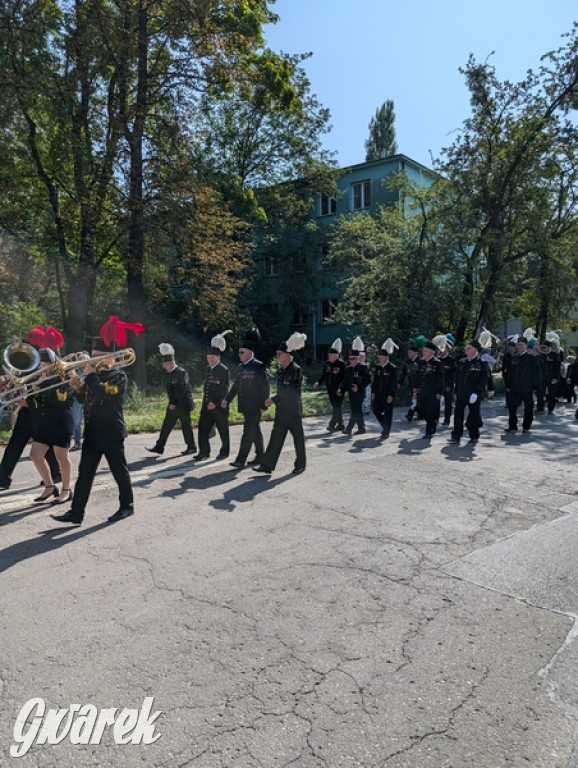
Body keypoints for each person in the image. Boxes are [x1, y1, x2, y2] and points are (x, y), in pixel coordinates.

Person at [51, 336, 135, 525]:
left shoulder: (118, 376)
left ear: (110, 358)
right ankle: (76, 512)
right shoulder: (93, 377)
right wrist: (79, 389)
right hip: (93, 432)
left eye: (98, 357)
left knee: (119, 471)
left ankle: (127, 506)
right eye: (93, 356)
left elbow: (104, 394)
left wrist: (89, 377)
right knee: (85, 473)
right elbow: (86, 401)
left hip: (111, 432)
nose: (92, 361)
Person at [253, 333, 307, 475]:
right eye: (277, 353)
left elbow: (291, 392)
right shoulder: (281, 370)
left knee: (298, 439)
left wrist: (273, 400)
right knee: (276, 437)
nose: (277, 356)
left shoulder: (296, 370)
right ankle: (267, 465)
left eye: (280, 353)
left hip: (293, 411)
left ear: (288, 355)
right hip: (282, 411)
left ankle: (300, 464)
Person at [28, 348, 74, 504]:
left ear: (54, 363)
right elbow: (36, 405)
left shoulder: (66, 376)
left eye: (46, 363)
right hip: (45, 421)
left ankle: (66, 490)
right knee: (35, 455)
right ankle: (49, 486)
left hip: (61, 421)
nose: (43, 367)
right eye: (41, 364)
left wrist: (45, 385)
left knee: (62, 457)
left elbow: (63, 400)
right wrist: (34, 391)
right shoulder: (43, 378)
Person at [223, 327, 269, 469]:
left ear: (250, 353)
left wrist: (264, 406)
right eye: (239, 352)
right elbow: (236, 386)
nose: (240, 355)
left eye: (242, 352)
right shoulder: (240, 367)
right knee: (255, 431)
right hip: (245, 405)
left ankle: (240, 460)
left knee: (248, 432)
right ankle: (261, 456)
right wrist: (227, 399)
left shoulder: (258, 366)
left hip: (255, 406)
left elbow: (265, 387)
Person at [147, 344, 196, 456]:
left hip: (183, 404)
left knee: (186, 426)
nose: (165, 367)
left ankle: (192, 447)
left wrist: (174, 403)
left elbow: (182, 389)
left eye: (166, 364)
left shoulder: (181, 372)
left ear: (172, 363)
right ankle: (159, 446)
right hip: (174, 404)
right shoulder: (170, 373)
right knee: (166, 425)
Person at [195, 331, 231, 461]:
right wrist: (206, 402)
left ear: (218, 358)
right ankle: (204, 452)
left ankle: (225, 451)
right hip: (206, 404)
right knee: (202, 428)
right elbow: (208, 387)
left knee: (223, 429)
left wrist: (214, 402)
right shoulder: (208, 368)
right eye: (208, 357)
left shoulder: (224, 370)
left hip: (219, 405)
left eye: (213, 358)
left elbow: (223, 389)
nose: (210, 360)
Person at [449, 340, 489, 444]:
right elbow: (458, 378)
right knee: (458, 414)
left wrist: (477, 392)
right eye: (467, 347)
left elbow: (484, 379)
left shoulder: (482, 363)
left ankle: (474, 435)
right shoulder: (462, 362)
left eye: (469, 348)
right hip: (462, 393)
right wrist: (456, 391)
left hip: (473, 394)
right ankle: (456, 436)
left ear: (475, 350)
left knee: (474, 415)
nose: (467, 349)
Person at [338, 336, 371, 436]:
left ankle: (348, 429)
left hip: (360, 393)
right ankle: (362, 428)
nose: (351, 360)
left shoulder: (363, 368)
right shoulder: (348, 369)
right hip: (351, 393)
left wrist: (359, 387)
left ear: (357, 359)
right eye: (350, 359)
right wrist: (341, 389)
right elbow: (344, 381)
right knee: (357, 410)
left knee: (355, 411)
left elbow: (368, 380)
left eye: (353, 359)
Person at [505, 336, 539, 433]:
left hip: (527, 387)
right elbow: (509, 372)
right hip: (514, 387)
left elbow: (536, 373)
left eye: (522, 345)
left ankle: (526, 426)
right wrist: (507, 384)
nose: (520, 347)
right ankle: (512, 425)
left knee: (528, 407)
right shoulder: (514, 357)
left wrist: (535, 386)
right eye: (518, 345)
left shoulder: (531, 358)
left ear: (526, 346)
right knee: (512, 407)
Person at [313, 337, 346, 432]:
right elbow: (323, 375)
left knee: (336, 407)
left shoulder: (341, 364)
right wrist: (318, 382)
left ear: (336, 355)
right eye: (329, 354)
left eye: (332, 354)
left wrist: (341, 388)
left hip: (339, 389)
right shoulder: (327, 363)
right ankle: (341, 424)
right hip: (330, 389)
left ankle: (331, 425)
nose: (330, 356)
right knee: (336, 407)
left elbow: (345, 379)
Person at [415, 340, 444, 439]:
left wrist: (439, 392)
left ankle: (429, 431)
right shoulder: (421, 362)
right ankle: (433, 421)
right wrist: (416, 389)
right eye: (423, 350)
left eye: (425, 351)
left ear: (431, 352)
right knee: (421, 408)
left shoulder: (437, 363)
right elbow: (418, 376)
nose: (423, 352)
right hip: (423, 390)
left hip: (433, 391)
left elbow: (440, 378)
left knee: (431, 410)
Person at [372, 339, 398, 439]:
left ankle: (386, 431)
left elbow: (394, 383)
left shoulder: (392, 368)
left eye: (383, 357)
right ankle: (385, 426)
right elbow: (375, 381)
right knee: (376, 411)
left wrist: (391, 395)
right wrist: (373, 392)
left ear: (387, 357)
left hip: (387, 395)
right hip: (378, 393)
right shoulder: (378, 367)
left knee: (388, 413)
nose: (381, 359)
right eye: (380, 357)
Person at [433, 334, 456, 425]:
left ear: (447, 349)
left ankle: (447, 420)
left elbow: (453, 374)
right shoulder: (437, 360)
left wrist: (449, 385)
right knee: (436, 402)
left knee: (447, 403)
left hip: (447, 385)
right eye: (439, 348)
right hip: (438, 385)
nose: (440, 350)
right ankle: (435, 418)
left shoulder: (451, 360)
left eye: (443, 348)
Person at [398, 345, 420, 421]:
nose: (408, 354)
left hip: (419, 385)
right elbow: (403, 373)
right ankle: (418, 413)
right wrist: (399, 383)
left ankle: (410, 414)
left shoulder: (420, 361)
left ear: (415, 353)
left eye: (410, 352)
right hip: (412, 384)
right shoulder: (407, 362)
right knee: (416, 399)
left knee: (416, 399)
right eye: (408, 352)